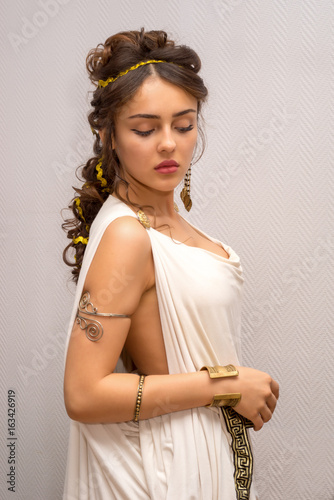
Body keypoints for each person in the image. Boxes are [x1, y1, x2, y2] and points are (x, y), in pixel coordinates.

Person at [62, 28, 279, 500]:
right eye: (144, 129)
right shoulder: (127, 236)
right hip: (169, 471)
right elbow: (83, 395)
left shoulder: (170, 226)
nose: (168, 144)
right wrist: (225, 385)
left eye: (184, 125)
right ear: (109, 136)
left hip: (207, 453)